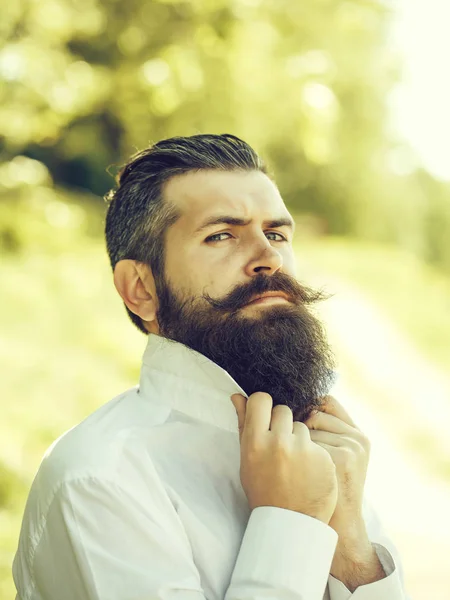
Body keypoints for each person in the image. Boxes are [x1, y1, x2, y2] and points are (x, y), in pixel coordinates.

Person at [13, 134, 410, 600]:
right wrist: (293, 525)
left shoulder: (324, 453)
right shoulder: (99, 481)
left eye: (277, 234)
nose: (269, 258)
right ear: (140, 288)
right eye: (221, 235)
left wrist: (348, 542)